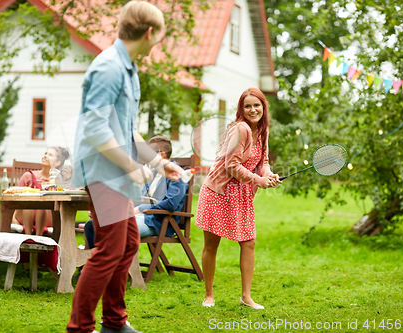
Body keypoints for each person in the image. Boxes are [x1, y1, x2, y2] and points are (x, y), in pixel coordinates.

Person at [67, 2, 183, 333]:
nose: (159, 40)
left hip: (115, 172)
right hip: (103, 172)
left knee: (128, 244)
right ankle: (81, 328)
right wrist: (132, 167)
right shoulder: (108, 68)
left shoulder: (128, 69)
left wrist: (157, 163)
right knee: (109, 250)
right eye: (160, 34)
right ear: (149, 33)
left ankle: (114, 322)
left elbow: (127, 128)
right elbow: (95, 128)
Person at [195, 87, 282, 309]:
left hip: (241, 194)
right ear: (241, 110)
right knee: (212, 245)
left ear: (264, 106)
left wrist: (268, 175)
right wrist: (258, 180)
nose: (253, 110)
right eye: (248, 106)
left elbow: (262, 162)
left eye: (257, 105)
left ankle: (246, 297)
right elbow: (231, 166)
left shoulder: (262, 131)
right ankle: (209, 295)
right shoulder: (241, 129)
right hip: (219, 191)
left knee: (249, 242)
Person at [82, 137, 188, 249]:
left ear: (161, 154)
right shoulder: (151, 173)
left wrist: (142, 208)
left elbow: (171, 204)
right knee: (91, 225)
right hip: (137, 217)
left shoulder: (177, 174)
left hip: (156, 222)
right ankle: (97, 263)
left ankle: (108, 264)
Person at [12, 147, 70, 236]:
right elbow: (16, 200)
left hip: (48, 217)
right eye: (45, 153)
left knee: (43, 205)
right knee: (30, 202)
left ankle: (38, 237)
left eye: (50, 155)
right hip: (24, 215)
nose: (45, 156)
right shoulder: (28, 176)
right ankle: (28, 237)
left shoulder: (59, 181)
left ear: (58, 162)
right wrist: (13, 218)